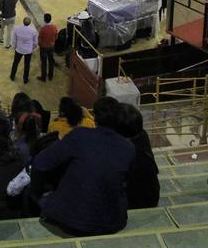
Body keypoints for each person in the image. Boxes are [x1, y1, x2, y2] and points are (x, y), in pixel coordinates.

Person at [31, 97, 135, 236]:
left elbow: (40, 163)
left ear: (95, 117)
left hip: (68, 220)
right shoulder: (128, 148)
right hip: (110, 222)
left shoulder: (80, 135)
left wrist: (37, 194)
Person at [10, 17, 37, 84]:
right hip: (28, 51)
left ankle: (12, 76)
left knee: (15, 63)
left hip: (19, 49)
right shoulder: (33, 31)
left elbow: (14, 40)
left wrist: (15, 47)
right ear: (30, 23)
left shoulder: (17, 29)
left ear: (23, 21)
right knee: (27, 65)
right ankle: (25, 79)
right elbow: (35, 43)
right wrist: (32, 48)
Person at [38, 14, 59, 82]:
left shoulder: (42, 29)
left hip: (43, 47)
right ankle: (50, 76)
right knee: (51, 61)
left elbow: (40, 39)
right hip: (51, 46)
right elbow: (56, 37)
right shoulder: (54, 27)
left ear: (44, 20)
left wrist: (40, 45)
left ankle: (43, 78)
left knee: (44, 63)